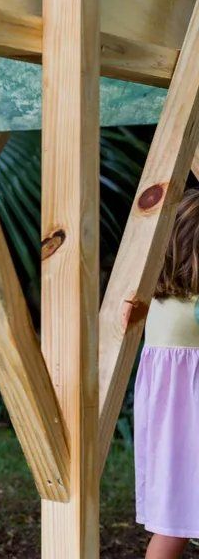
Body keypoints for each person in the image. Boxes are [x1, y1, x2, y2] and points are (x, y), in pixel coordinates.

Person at [135, 188, 199, 559]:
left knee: (171, 527)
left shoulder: (158, 301)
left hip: (167, 431)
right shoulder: (194, 309)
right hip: (190, 425)